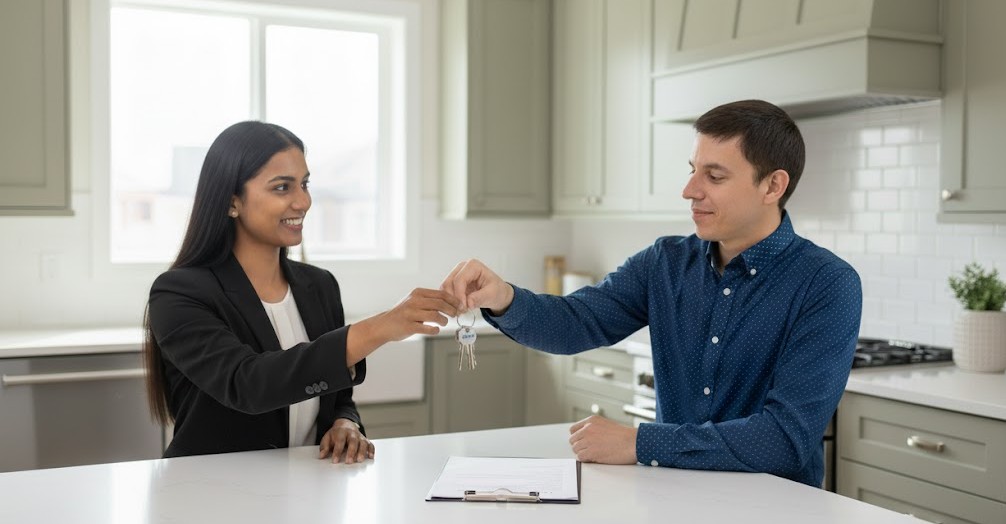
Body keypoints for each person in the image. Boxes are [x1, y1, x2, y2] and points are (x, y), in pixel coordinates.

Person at [442, 100, 862, 487]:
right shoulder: (664, 262)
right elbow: (575, 323)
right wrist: (503, 297)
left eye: (714, 176)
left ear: (772, 186)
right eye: (692, 170)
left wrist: (639, 442)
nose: (690, 190)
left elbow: (784, 439)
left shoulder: (827, 283)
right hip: (672, 498)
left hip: (776, 508)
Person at [144, 121, 460, 463]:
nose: (303, 201)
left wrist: (346, 423)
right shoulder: (178, 293)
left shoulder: (320, 286)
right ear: (232, 201)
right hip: (210, 488)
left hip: (305, 485)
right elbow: (247, 384)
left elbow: (337, 394)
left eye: (305, 184)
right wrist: (379, 327)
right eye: (282, 187)